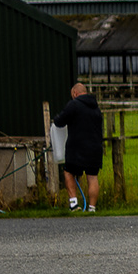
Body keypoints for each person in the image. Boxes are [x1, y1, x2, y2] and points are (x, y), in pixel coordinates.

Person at [52, 81, 104, 213]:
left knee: (69, 172)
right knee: (92, 177)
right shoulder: (96, 107)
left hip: (77, 148)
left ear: (75, 93)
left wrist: (56, 119)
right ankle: (92, 208)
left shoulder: (74, 104)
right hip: (95, 148)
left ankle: (74, 205)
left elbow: (60, 122)